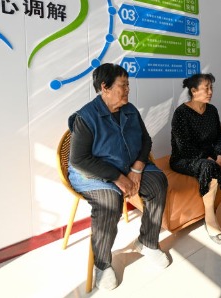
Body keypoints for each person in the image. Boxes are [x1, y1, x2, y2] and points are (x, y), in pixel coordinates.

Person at [68, 63, 170, 291]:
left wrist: (137, 168)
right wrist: (117, 177)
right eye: (122, 85)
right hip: (93, 173)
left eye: (128, 85)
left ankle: (147, 241)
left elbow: (145, 141)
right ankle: (102, 264)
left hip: (128, 166)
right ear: (104, 87)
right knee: (109, 201)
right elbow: (79, 159)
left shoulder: (130, 110)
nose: (127, 90)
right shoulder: (86, 117)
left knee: (158, 183)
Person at [170, 73, 221, 245]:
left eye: (211, 88)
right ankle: (210, 218)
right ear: (193, 91)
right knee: (209, 167)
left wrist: (219, 155)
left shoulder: (212, 110)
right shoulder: (181, 113)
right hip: (185, 157)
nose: (210, 92)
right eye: (206, 88)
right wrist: (210, 159)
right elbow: (184, 146)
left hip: (212, 154)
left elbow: (219, 136)